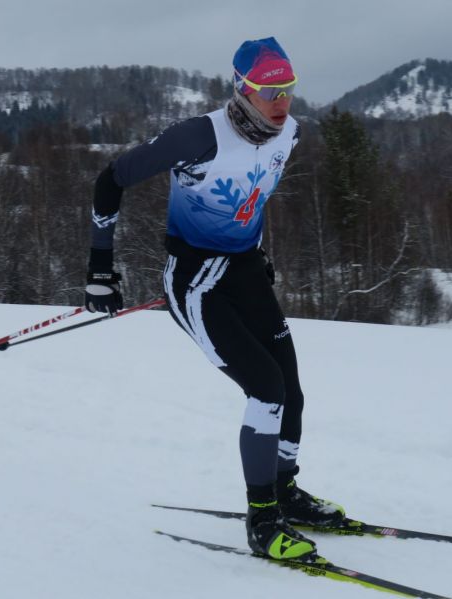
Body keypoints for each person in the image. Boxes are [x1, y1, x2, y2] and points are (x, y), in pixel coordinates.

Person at [84, 37, 344, 562]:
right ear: (242, 88)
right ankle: (263, 519)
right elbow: (110, 180)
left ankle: (285, 490)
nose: (281, 101)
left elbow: (250, 197)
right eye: (269, 90)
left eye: (288, 89)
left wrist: (254, 249)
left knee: (290, 387)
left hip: (244, 272)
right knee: (266, 389)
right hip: (195, 280)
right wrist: (99, 269)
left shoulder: (289, 133)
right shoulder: (198, 135)